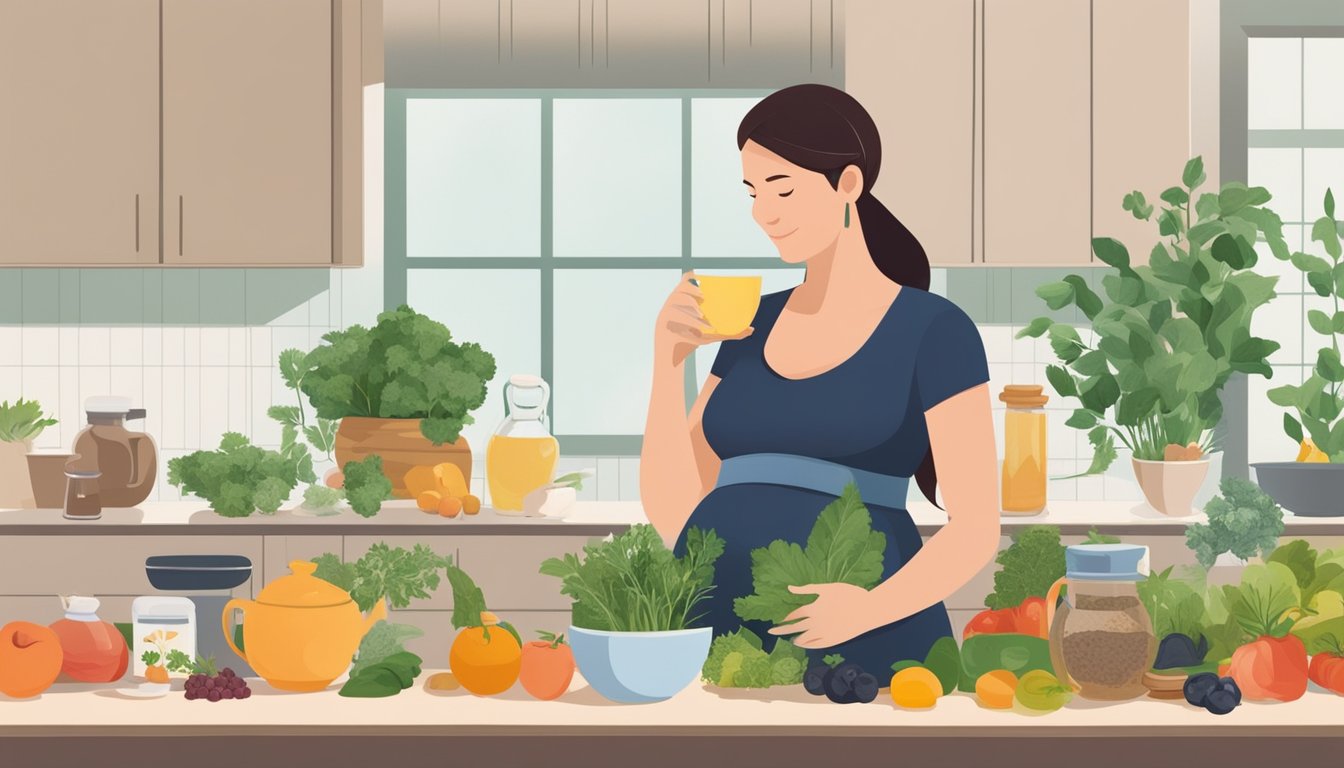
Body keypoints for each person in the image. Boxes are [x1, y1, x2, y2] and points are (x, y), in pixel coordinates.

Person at [640, 83, 1000, 673]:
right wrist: (666, 364)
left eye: (782, 188)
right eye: (753, 192)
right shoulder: (751, 323)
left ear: (849, 184)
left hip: (868, 642)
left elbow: (977, 526)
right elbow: (678, 510)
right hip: (721, 640)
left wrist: (867, 610)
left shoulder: (935, 329)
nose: (764, 211)